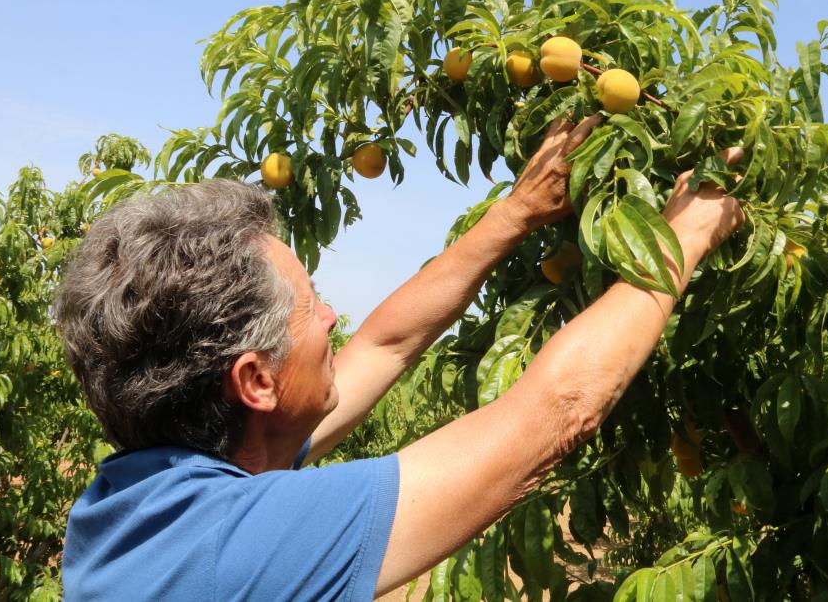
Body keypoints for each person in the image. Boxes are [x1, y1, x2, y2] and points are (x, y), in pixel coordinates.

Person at [55, 116, 744, 600]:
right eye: (312, 306)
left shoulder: (142, 501)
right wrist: (684, 234)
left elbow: (383, 345)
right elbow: (558, 410)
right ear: (256, 380)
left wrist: (516, 212)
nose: (333, 317)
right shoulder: (235, 546)